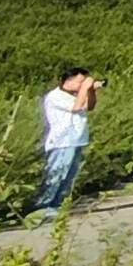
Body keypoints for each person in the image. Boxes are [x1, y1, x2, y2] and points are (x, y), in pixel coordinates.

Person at [31, 68, 95, 221]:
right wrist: (85, 88)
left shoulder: (74, 96)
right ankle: (42, 207)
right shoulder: (55, 96)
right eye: (80, 81)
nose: (81, 85)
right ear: (68, 80)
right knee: (57, 174)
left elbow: (89, 106)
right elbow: (76, 107)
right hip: (62, 142)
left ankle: (57, 205)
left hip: (77, 139)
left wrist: (91, 91)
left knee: (69, 176)